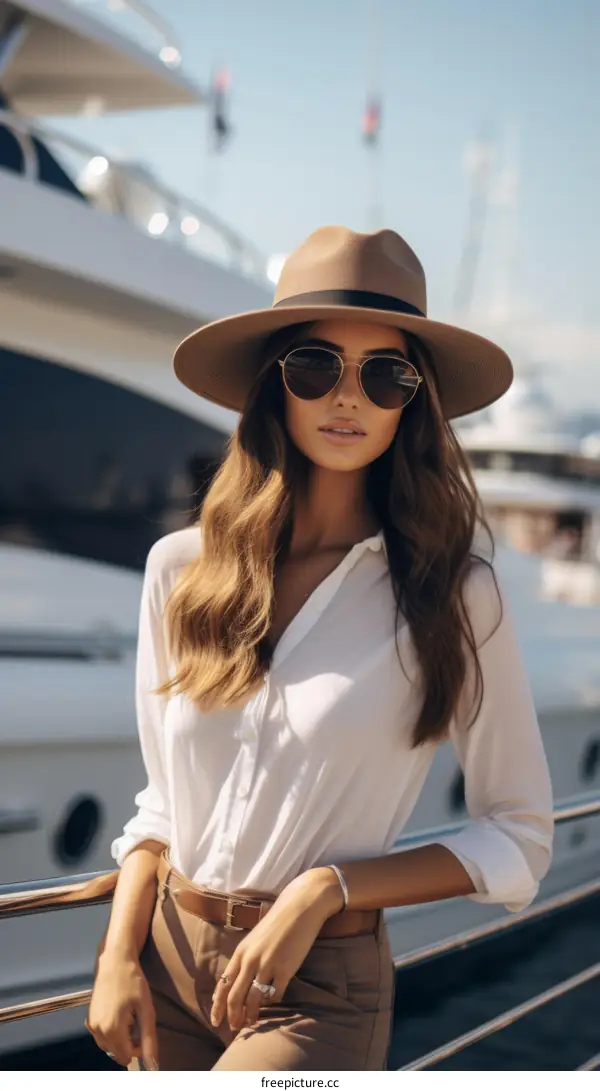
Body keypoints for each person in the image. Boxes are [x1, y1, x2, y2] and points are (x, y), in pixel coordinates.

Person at [86, 225, 554, 1072]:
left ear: (414, 400)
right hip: (168, 963)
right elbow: (164, 806)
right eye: (316, 366)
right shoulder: (180, 570)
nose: (349, 398)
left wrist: (324, 889)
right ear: (276, 383)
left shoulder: (457, 594)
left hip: (319, 985)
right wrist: (118, 953)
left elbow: (519, 835)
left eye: (385, 375)